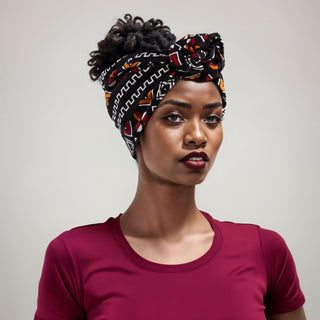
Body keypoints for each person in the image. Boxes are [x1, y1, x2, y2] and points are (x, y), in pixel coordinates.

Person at [34, 14, 306, 320]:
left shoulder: (264, 251)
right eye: (174, 117)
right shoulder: (73, 257)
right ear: (135, 130)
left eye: (212, 118)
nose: (199, 136)